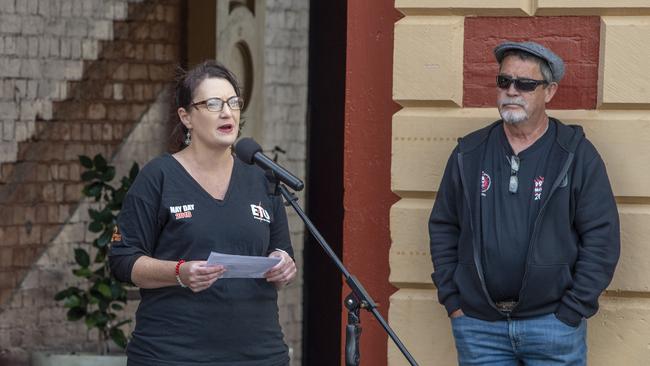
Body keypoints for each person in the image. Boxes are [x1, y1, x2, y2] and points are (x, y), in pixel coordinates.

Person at [428, 41, 620, 365]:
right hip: (478, 327)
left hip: (553, 326)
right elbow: (444, 226)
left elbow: (602, 237)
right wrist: (454, 301)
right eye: (505, 81)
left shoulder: (575, 155)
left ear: (550, 91)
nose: (512, 91)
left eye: (525, 84)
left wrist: (573, 309)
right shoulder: (469, 154)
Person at [108, 60, 297, 366]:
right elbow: (122, 260)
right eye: (212, 104)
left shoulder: (262, 179)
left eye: (233, 102)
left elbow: (281, 253)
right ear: (186, 117)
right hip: (174, 354)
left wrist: (283, 266)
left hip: (258, 354)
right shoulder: (159, 176)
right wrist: (179, 273)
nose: (227, 112)